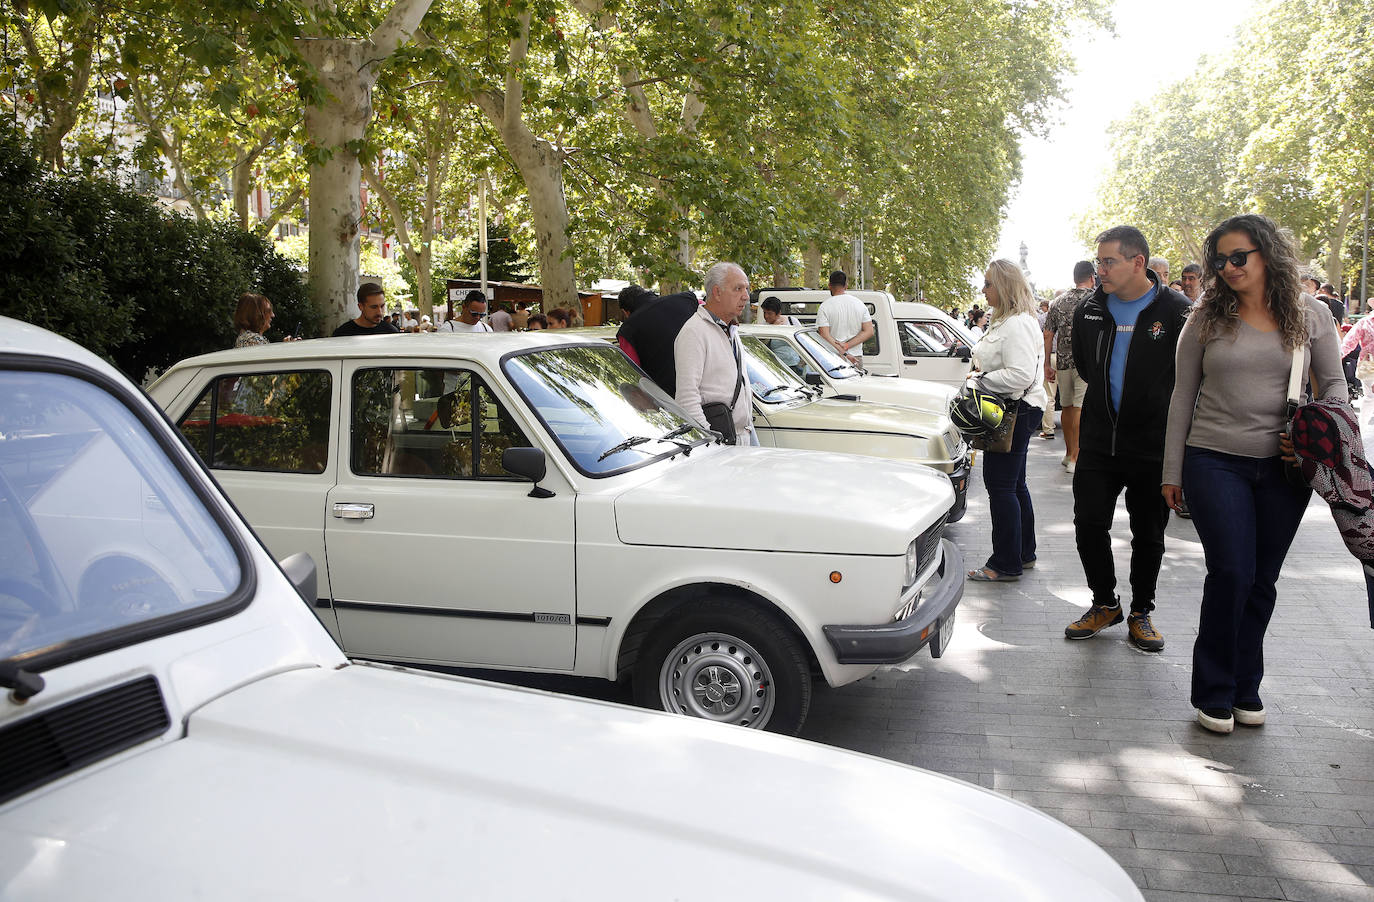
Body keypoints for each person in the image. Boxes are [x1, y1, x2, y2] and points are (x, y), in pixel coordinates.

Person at [1162, 213, 1346, 734]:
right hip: (1214, 458)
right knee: (1233, 572)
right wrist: (1171, 470)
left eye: (1238, 256)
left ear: (1267, 254)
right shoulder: (1205, 318)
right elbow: (1181, 397)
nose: (1228, 267)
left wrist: (1315, 429)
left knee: (1262, 579)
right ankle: (1213, 689)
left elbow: (1335, 386)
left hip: (1287, 469)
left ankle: (1247, 686)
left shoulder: (1310, 315)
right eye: (1219, 259)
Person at [1065, 225, 1190, 652]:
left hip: (1152, 445)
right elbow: (1085, 366)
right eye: (1098, 261)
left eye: (1108, 261)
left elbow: (1189, 379)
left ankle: (1141, 611)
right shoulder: (1090, 310)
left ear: (1138, 262)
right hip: (1099, 441)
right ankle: (1105, 602)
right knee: (1088, 524)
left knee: (1149, 533)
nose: (1100, 269)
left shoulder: (1177, 312)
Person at [966, 259, 1046, 582]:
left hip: (1015, 410)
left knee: (1001, 487)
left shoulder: (1017, 324)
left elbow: (1020, 375)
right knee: (1013, 486)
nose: (983, 290)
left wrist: (980, 379)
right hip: (1016, 409)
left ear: (1004, 286)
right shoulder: (1007, 321)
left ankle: (1005, 563)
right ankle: (1022, 554)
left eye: (988, 284)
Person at [674, 262, 755, 445]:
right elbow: (686, 398)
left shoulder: (730, 329)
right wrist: (711, 441)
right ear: (717, 292)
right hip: (720, 444)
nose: (746, 296)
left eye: (746, 289)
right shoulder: (694, 332)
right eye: (738, 289)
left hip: (740, 436)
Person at [1044, 261, 1095, 473]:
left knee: (1066, 407)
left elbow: (1048, 334)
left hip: (1063, 360)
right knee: (1080, 408)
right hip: (1086, 363)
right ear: (1092, 276)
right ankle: (1076, 456)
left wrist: (1047, 363)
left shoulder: (1057, 302)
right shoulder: (1096, 299)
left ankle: (1068, 453)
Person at [816, 271, 873, 363]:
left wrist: (842, 351)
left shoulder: (825, 306)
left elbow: (824, 334)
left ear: (829, 285)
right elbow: (869, 331)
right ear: (846, 285)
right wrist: (847, 345)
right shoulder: (859, 304)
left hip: (833, 356)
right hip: (856, 356)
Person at [333, 283, 401, 336]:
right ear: (360, 306)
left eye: (382, 306)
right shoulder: (343, 333)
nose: (379, 312)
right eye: (374, 307)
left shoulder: (391, 332)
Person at [1035, 299, 1055, 439]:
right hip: (1067, 356)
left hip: (1050, 357)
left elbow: (1040, 336)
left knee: (1049, 395)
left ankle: (1048, 429)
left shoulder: (1042, 318)